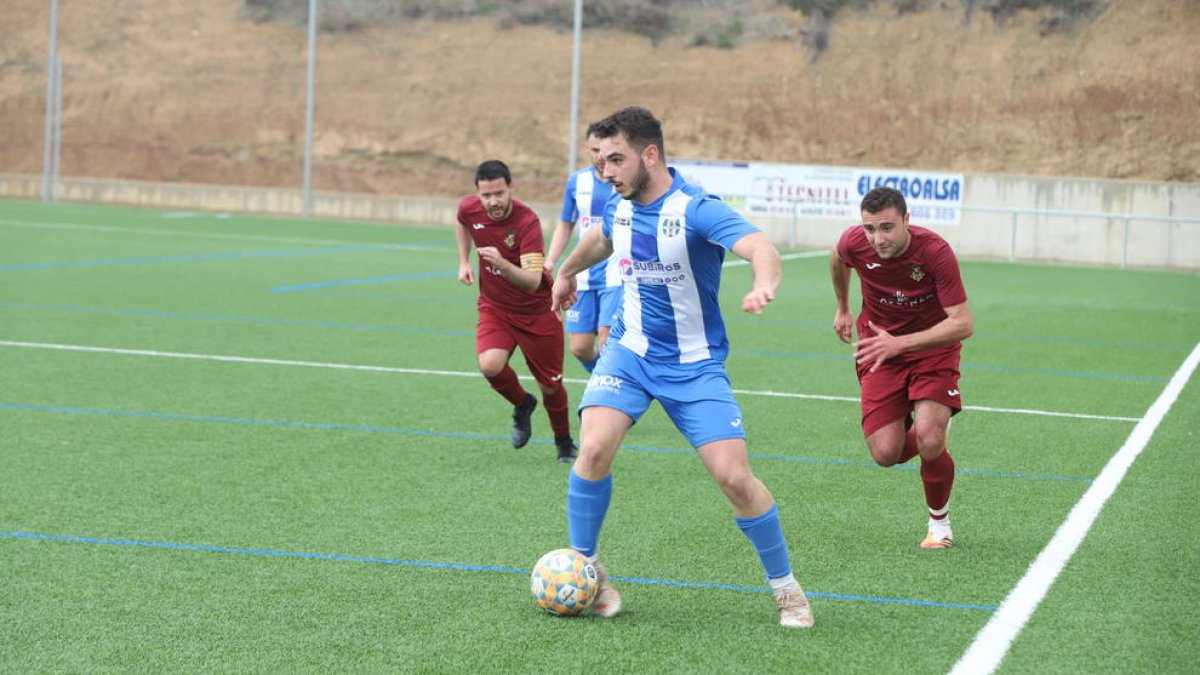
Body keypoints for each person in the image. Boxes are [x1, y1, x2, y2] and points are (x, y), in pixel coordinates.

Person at [551, 106, 814, 628]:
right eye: (600, 162)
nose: (606, 172)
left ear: (650, 154)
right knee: (595, 445)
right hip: (629, 353)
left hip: (694, 366)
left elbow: (759, 245)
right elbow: (602, 238)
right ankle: (589, 567)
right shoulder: (616, 201)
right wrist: (566, 272)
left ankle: (787, 589)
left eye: (616, 160)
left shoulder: (697, 208)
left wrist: (764, 282)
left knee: (735, 479)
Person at [829, 186, 973, 548]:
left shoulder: (935, 252)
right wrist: (843, 306)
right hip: (879, 350)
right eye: (870, 229)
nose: (878, 239)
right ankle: (930, 429)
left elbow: (963, 323)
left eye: (887, 228)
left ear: (907, 220)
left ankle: (939, 525)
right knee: (885, 453)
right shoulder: (853, 242)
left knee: (929, 439)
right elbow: (837, 258)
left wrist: (902, 343)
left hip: (932, 350)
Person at [456, 159, 578, 463]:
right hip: (495, 307)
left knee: (551, 387)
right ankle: (523, 404)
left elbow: (532, 281)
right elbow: (462, 221)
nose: (493, 202)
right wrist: (463, 260)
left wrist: (500, 263)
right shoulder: (469, 208)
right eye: (486, 196)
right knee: (490, 366)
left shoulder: (527, 222)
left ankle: (563, 441)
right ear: (477, 194)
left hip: (537, 311)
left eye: (499, 193)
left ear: (511, 188)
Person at [545, 123, 620, 374]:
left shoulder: (623, 182)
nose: (600, 156)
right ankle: (608, 378)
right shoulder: (577, 181)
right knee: (579, 348)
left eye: (605, 150)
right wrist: (550, 262)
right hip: (583, 274)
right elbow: (566, 224)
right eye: (595, 149)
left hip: (616, 273)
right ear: (587, 148)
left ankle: (611, 391)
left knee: (607, 340)